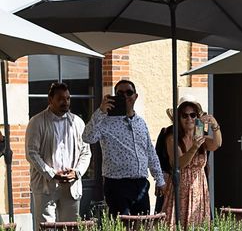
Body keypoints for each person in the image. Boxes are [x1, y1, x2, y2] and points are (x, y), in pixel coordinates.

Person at [82, 79, 165, 216]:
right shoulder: (105, 121)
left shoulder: (141, 122)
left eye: (129, 93)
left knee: (142, 224)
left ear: (135, 96)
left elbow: (150, 152)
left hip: (141, 184)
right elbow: (87, 137)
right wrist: (101, 112)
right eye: (120, 93)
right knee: (121, 225)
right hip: (117, 184)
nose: (125, 96)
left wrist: (159, 179)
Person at [26, 82, 92, 227]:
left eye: (68, 98)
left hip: (71, 185)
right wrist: (51, 173)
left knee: (71, 227)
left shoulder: (78, 122)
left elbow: (86, 152)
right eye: (61, 99)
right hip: (45, 185)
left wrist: (77, 172)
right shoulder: (36, 122)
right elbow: (31, 153)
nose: (65, 102)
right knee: (46, 227)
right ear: (50, 100)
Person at [161, 97, 222, 228]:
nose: (189, 119)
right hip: (181, 186)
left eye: (193, 115)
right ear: (179, 119)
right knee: (179, 223)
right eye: (185, 115)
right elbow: (179, 164)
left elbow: (217, 144)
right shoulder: (173, 138)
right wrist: (194, 147)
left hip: (199, 187)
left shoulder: (201, 136)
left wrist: (215, 125)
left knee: (198, 224)